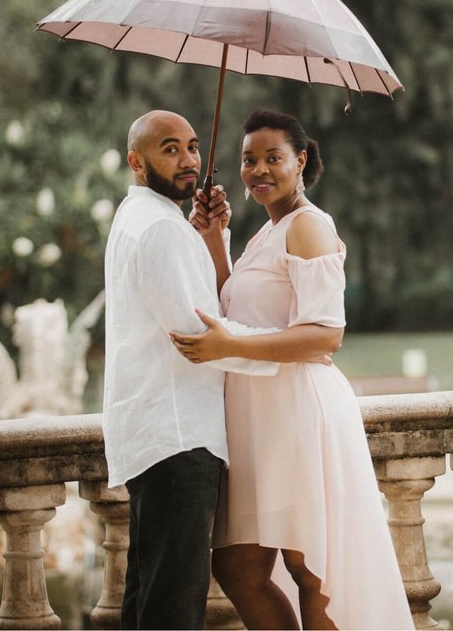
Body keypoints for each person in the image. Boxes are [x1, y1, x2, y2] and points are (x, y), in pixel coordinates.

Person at [170, 110, 414, 630]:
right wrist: (214, 235)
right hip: (259, 420)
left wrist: (227, 345)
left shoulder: (309, 224)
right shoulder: (269, 230)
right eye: (248, 160)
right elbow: (234, 305)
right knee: (238, 567)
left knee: (310, 569)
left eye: (272, 158)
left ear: (300, 161)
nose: (259, 170)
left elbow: (326, 334)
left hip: (299, 411)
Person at [103, 110, 335, 630]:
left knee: (151, 595)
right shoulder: (160, 227)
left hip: (176, 433)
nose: (188, 159)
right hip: (180, 435)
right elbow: (203, 336)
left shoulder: (144, 217)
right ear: (136, 162)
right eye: (170, 149)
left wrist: (210, 237)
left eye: (191, 146)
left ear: (300, 162)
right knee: (171, 604)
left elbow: (222, 313)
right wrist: (299, 348)